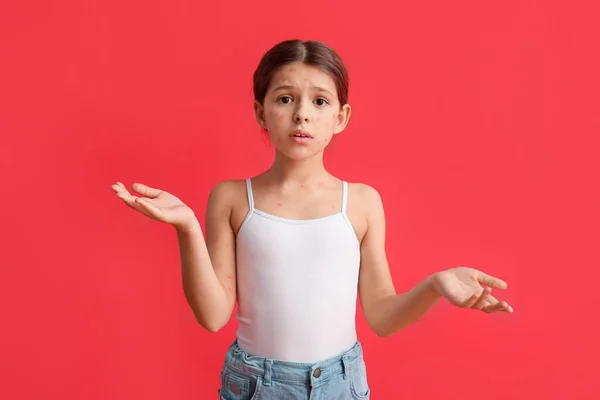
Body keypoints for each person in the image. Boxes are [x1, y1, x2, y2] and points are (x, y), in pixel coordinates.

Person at [111, 39, 513, 400]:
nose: (302, 114)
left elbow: (383, 318)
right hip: (256, 384)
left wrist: (435, 285)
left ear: (341, 117)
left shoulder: (361, 202)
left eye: (320, 101)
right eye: (285, 99)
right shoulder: (232, 197)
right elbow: (213, 316)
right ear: (261, 112)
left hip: (341, 383)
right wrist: (187, 228)